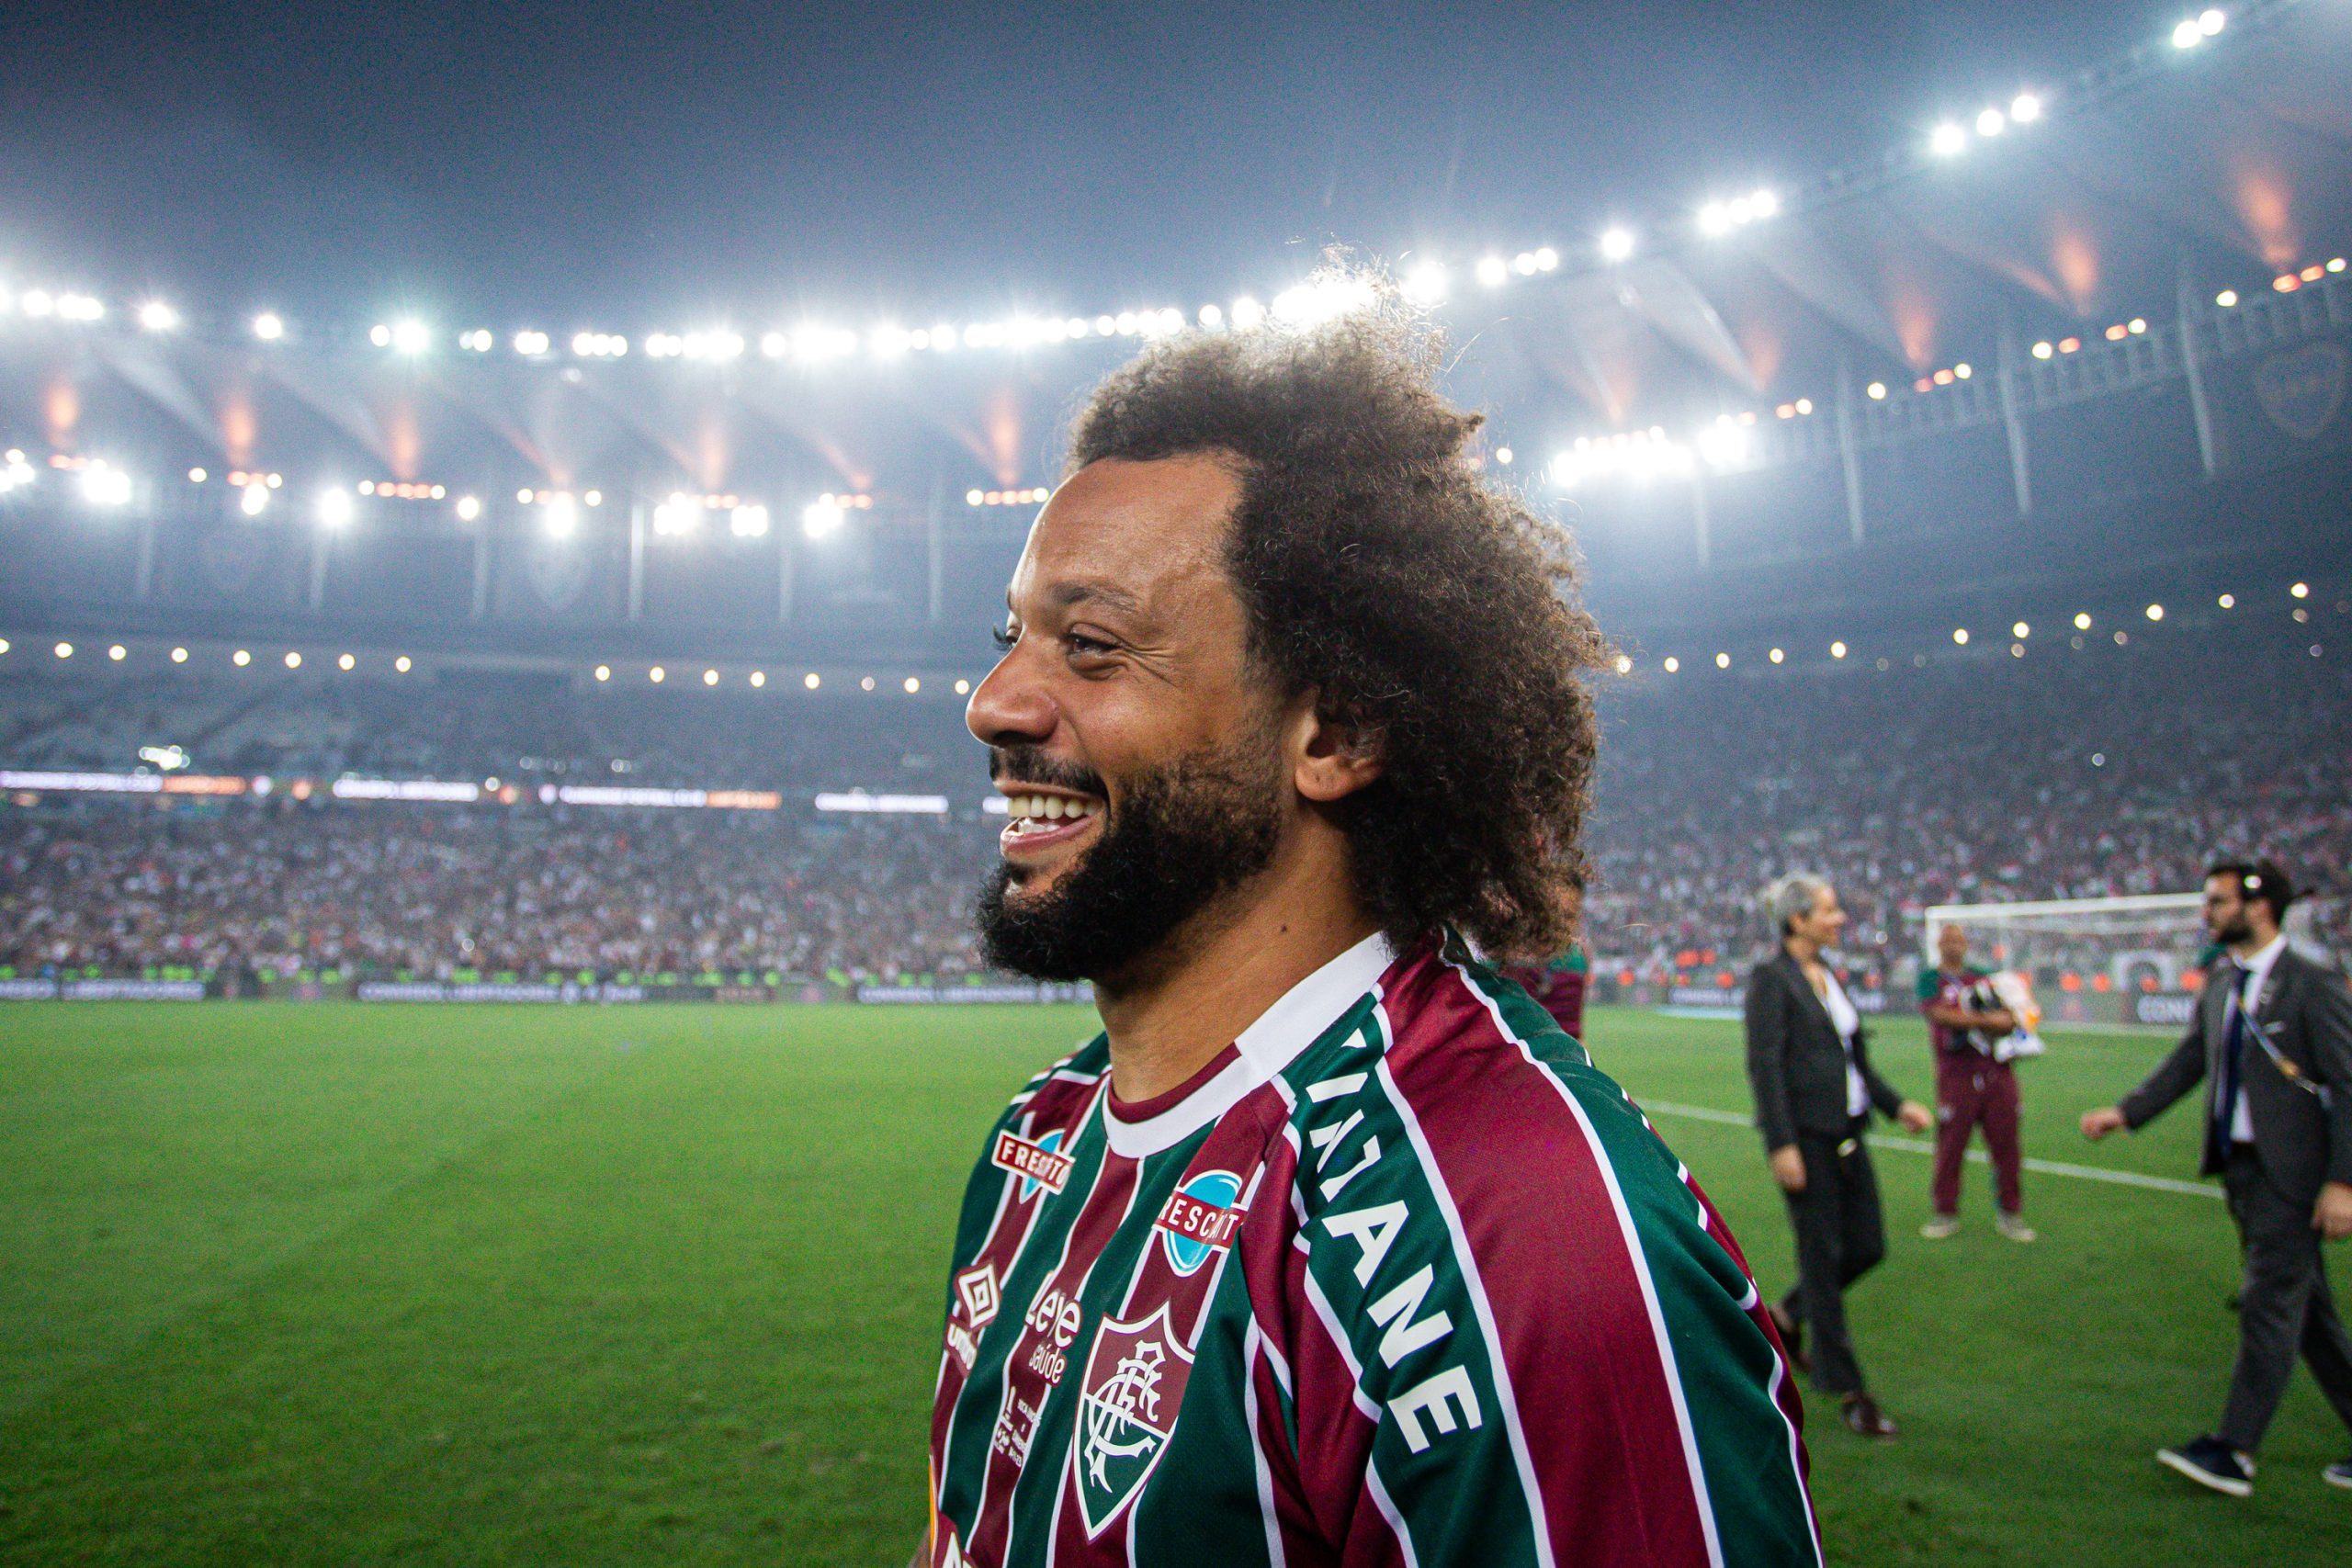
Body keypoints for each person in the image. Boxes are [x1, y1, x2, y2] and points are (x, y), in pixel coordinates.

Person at [918, 289, 1821, 1568]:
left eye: (1094, 645)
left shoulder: (1524, 1241)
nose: (993, 700)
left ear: (1332, 733)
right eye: (1015, 635)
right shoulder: (1043, 1139)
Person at [2082, 858, 2352, 1497]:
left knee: (2268, 1301)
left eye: (2217, 900)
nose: (2206, 912)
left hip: (2295, 1175)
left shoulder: (2312, 983)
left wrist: (2343, 1182)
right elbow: (2189, 1061)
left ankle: (2234, 1448)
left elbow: (2348, 1084)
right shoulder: (2223, 979)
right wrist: (2126, 1111)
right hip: (2244, 1171)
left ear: (2257, 907)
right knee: (2308, 1313)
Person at [1745, 873, 1936, 1439]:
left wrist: (1897, 1105)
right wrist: (1781, 1144)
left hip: (1851, 1133)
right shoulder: (1770, 980)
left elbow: (1856, 1064)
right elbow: (1766, 1067)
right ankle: (1850, 1391)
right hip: (1807, 1140)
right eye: (1828, 910)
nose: (1839, 919)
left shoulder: (1827, 975)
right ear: (1797, 920)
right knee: (1822, 1260)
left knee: (1867, 1247)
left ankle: (1786, 1315)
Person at [1916, 924, 2032, 1242]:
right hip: (1956, 1073)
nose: (1954, 945)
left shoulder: (1984, 976)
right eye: (1948, 940)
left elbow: (2010, 1014)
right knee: (1951, 1145)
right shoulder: (1930, 979)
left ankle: (2011, 1212)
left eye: (1959, 940)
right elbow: (1939, 1015)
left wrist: (2007, 1021)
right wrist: (1985, 1020)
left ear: (1966, 944)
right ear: (1939, 945)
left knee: (2007, 1145)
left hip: (1996, 1069)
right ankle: (1945, 1211)